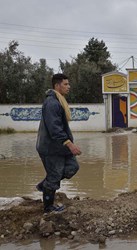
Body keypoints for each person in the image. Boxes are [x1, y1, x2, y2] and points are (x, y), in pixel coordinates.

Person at [36, 73, 81, 213]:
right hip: (51, 148)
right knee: (55, 176)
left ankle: (45, 184)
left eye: (68, 84)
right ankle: (48, 207)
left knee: (72, 167)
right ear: (57, 86)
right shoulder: (52, 103)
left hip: (59, 147)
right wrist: (69, 144)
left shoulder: (58, 101)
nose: (69, 87)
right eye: (65, 84)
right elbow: (54, 128)